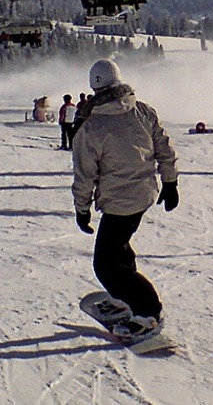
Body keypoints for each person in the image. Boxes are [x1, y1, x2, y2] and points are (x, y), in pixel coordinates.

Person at [72, 59, 179, 340]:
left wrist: (81, 209)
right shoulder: (142, 110)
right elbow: (164, 148)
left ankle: (148, 312)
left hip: (119, 202)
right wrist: (170, 181)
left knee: (106, 266)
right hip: (144, 194)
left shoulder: (92, 127)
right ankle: (127, 300)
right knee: (117, 249)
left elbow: (85, 173)